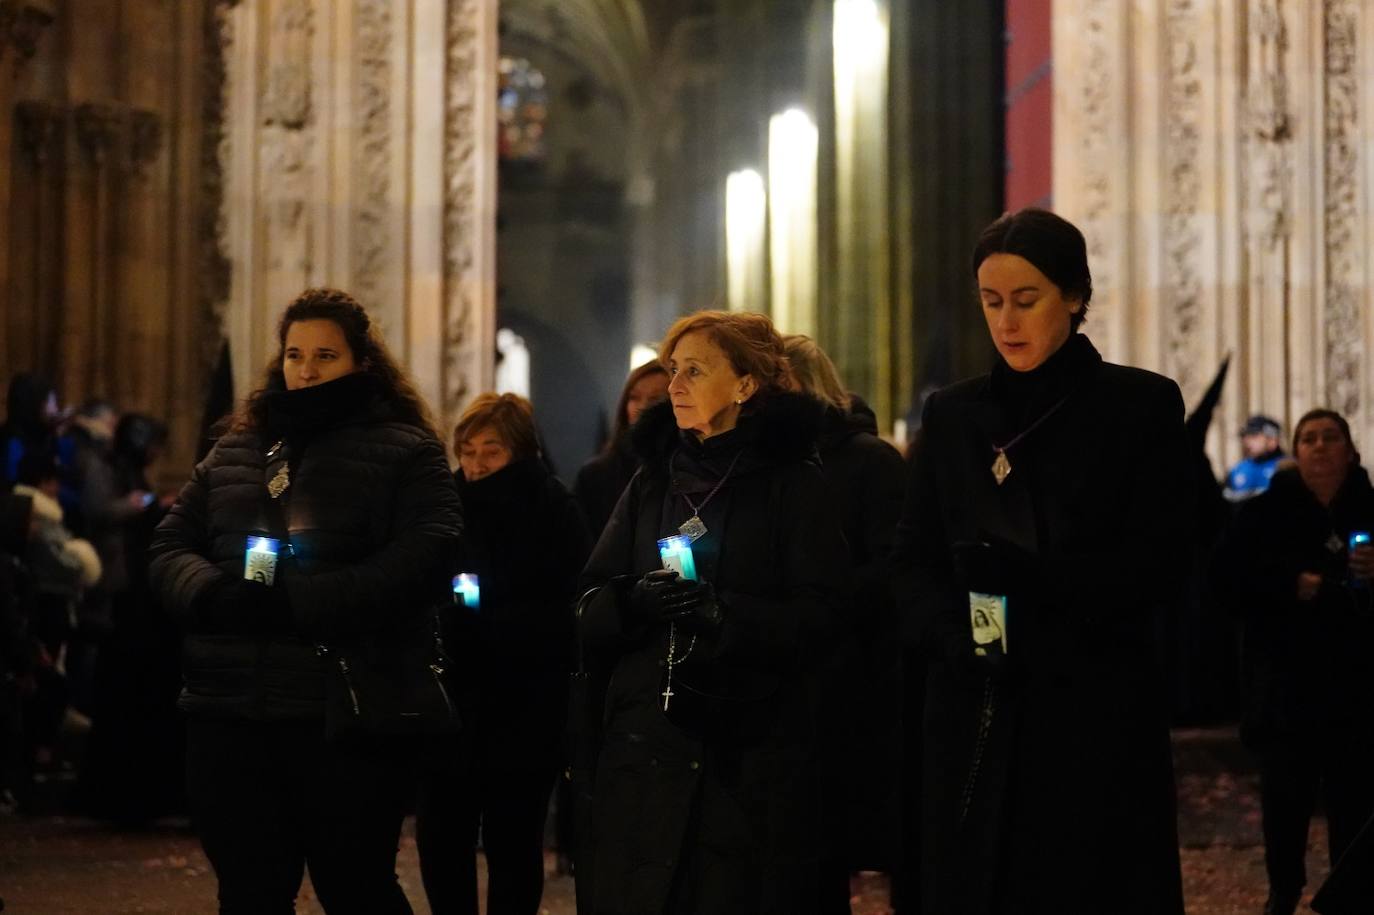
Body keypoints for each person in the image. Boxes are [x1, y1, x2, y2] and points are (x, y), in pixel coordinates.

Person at [893, 208, 1192, 914]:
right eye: (991, 302)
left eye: (1026, 300)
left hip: (1091, 707)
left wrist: (1039, 587)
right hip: (974, 712)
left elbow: (1162, 560)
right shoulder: (954, 416)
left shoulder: (1139, 406)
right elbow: (912, 559)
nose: (1007, 321)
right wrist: (954, 635)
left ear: (1076, 296)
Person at [149, 287, 463, 914]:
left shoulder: (405, 450)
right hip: (230, 707)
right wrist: (213, 595)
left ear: (360, 363)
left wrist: (307, 602)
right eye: (295, 355)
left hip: (340, 712)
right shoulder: (235, 448)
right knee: (249, 890)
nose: (307, 370)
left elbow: (427, 552)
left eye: (325, 355)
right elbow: (169, 544)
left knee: (356, 886)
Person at [577, 310, 851, 914]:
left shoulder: (794, 484)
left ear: (746, 384)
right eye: (673, 370)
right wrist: (634, 601)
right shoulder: (651, 481)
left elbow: (824, 614)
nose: (673, 385)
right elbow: (588, 601)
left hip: (746, 756)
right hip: (646, 745)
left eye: (694, 371)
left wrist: (725, 617)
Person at [415, 392, 591, 915]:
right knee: (442, 834)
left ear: (520, 451)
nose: (475, 465)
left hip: (524, 702)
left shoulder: (552, 508)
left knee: (513, 839)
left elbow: (570, 599)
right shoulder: (444, 505)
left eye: (490, 452)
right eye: (467, 451)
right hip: (450, 701)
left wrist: (498, 614)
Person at [1216, 408, 1374, 915]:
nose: (1321, 446)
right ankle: (1283, 890)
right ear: (1296, 452)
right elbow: (1226, 586)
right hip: (1287, 689)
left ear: (1350, 451)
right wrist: (1289, 585)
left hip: (1358, 687)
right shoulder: (1262, 516)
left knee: (1355, 804)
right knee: (1286, 805)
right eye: (1309, 438)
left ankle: (1351, 895)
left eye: (1331, 437)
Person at [782, 334, 906, 913]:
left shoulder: (868, 461)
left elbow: (891, 564)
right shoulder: (768, 462)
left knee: (838, 838)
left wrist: (821, 598)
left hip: (851, 670)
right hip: (784, 671)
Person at [574, 361, 670, 540]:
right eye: (634, 397)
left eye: (655, 398)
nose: (641, 406)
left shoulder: (683, 468)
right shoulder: (596, 474)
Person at [1225, 415, 1287, 502]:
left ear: (1272, 440)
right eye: (1245, 436)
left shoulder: (1288, 468)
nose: (1247, 441)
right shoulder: (1237, 470)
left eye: (1254, 436)